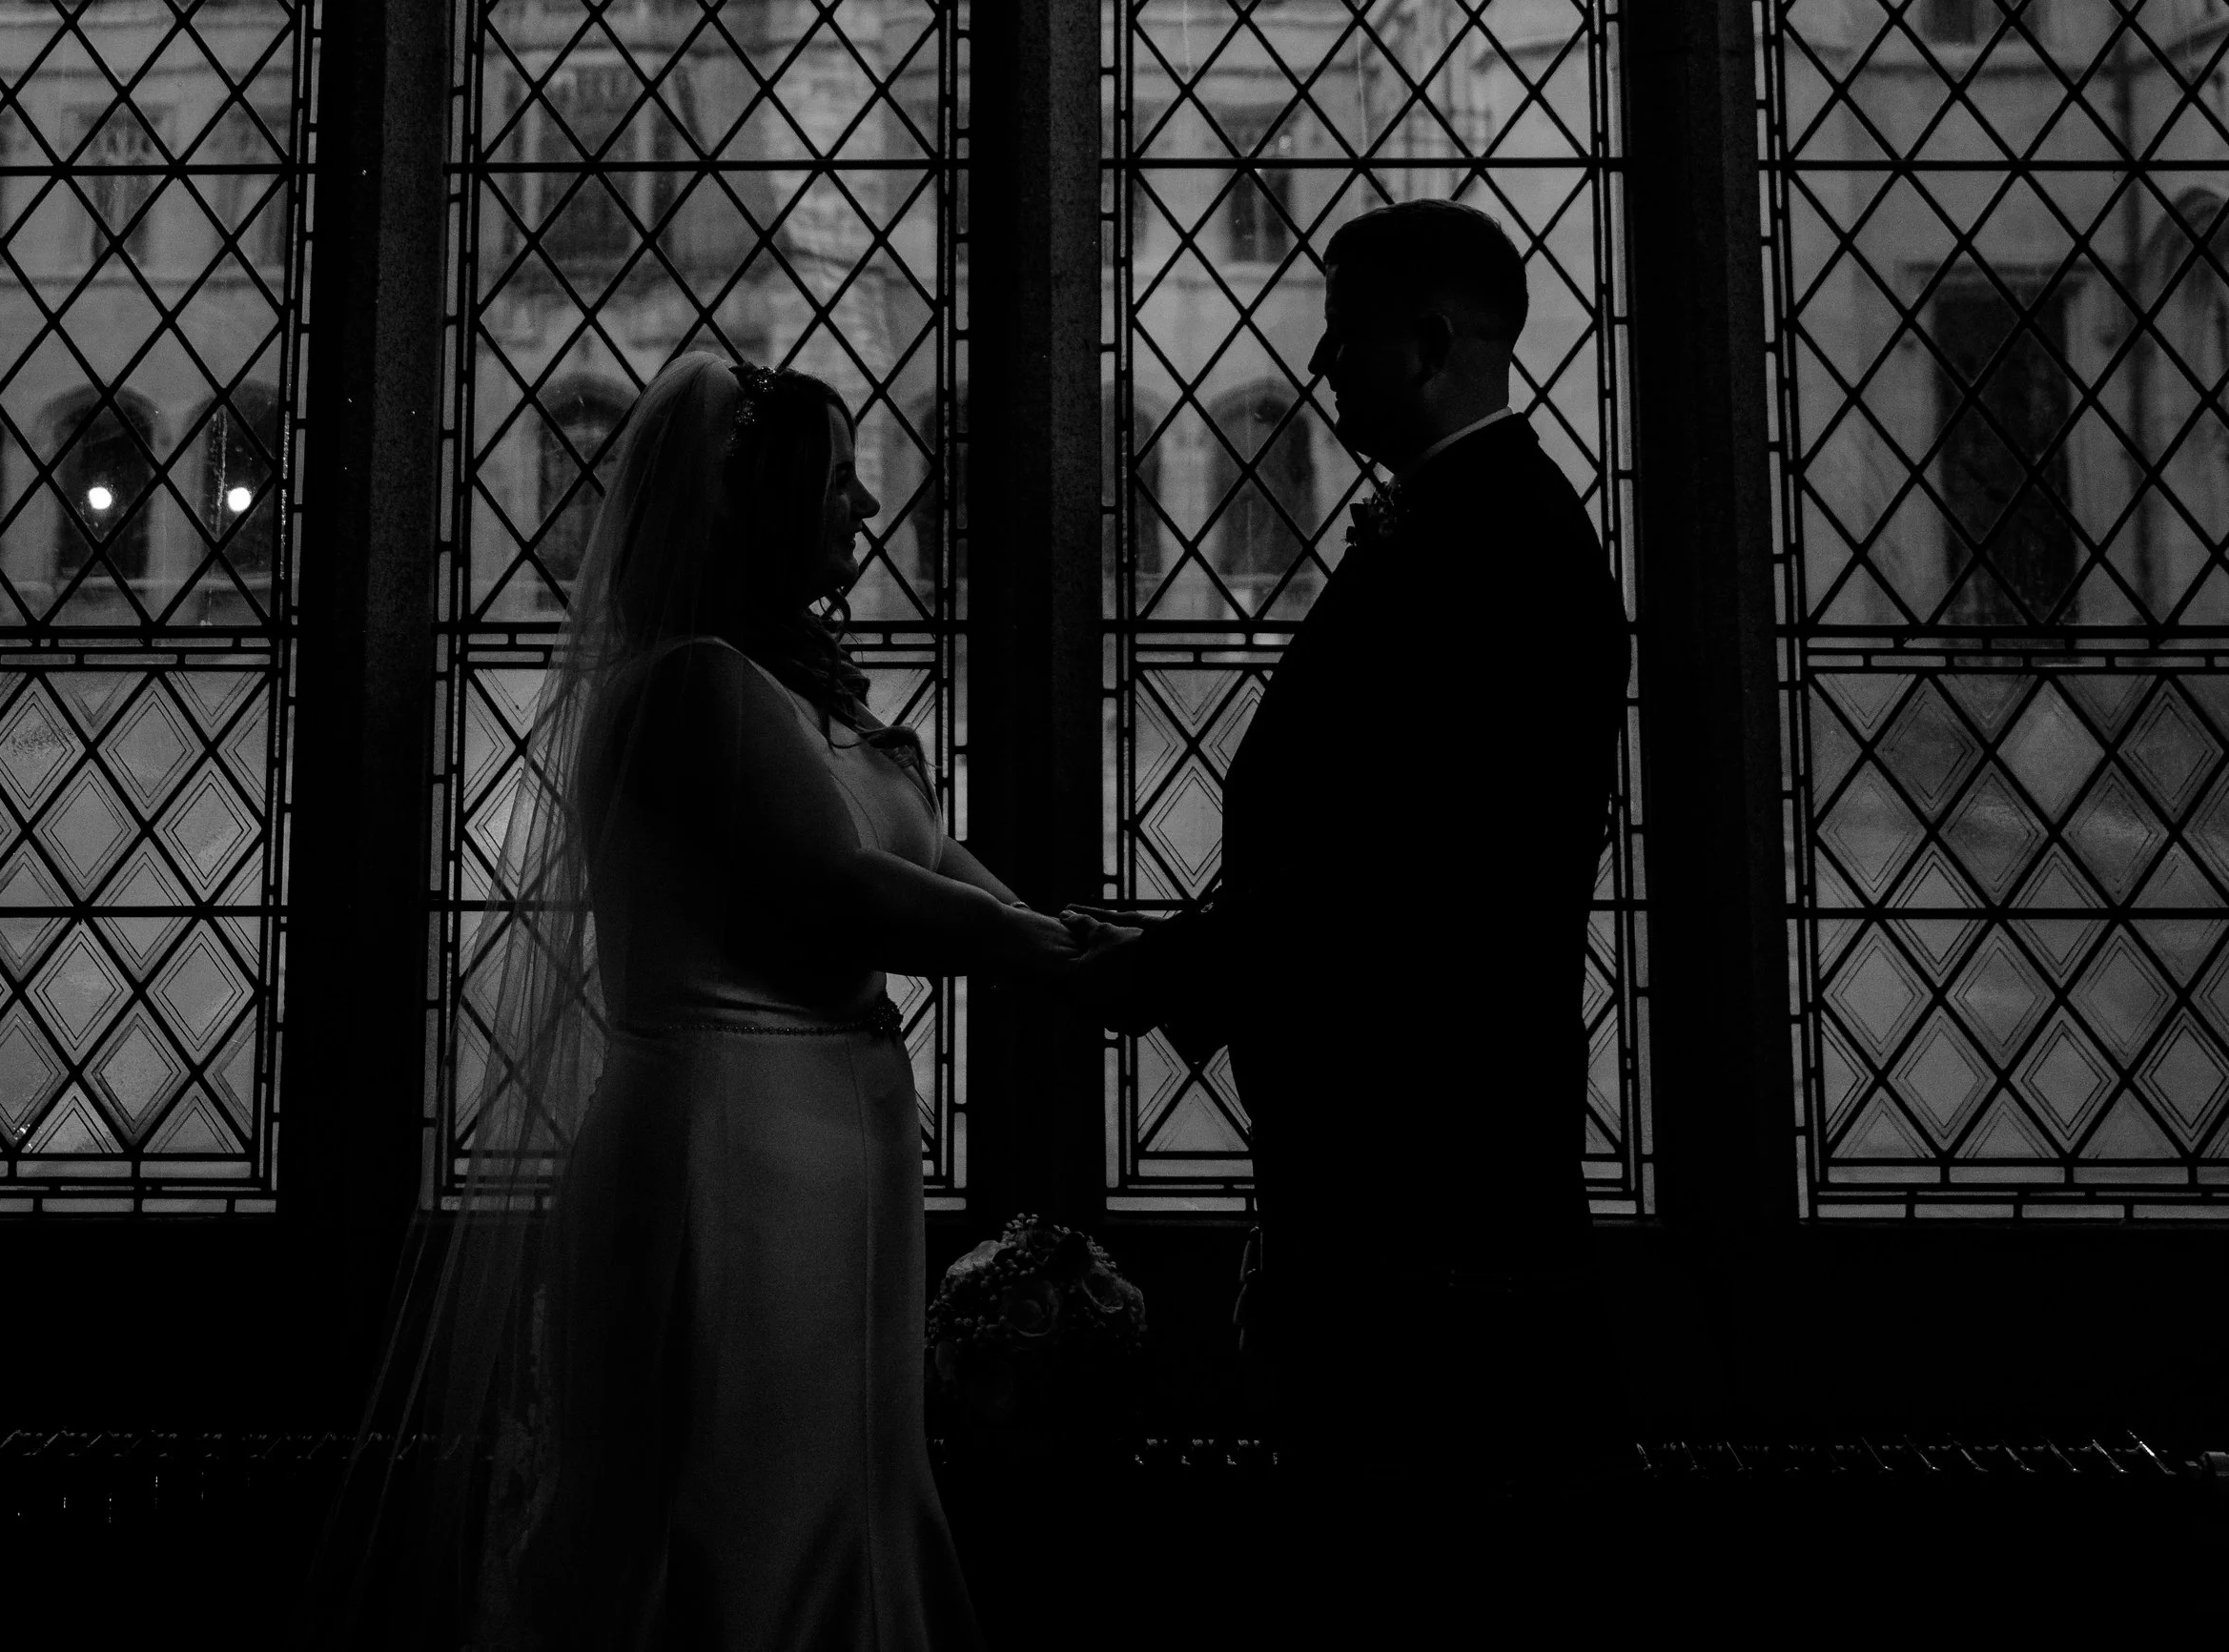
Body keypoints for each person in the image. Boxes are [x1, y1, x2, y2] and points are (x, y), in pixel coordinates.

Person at [331, 351, 1089, 1648]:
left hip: (821, 1152)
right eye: (840, 479)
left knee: (833, 1491)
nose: (869, 505)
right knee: (735, 1514)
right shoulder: (693, 684)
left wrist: (1075, 932)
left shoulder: (799, 697)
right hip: (729, 1153)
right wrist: (1080, 963)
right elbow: (851, 889)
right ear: (767, 503)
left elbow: (935, 864)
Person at [1066, 199, 1631, 1548]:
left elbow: (1414, 877)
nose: (1317, 365)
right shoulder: (1463, 520)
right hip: (1398, 1171)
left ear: (1432, 342)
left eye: (1342, 335)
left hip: (1434, 1182)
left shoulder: (1500, 544)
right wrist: (1177, 939)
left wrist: (1168, 967)